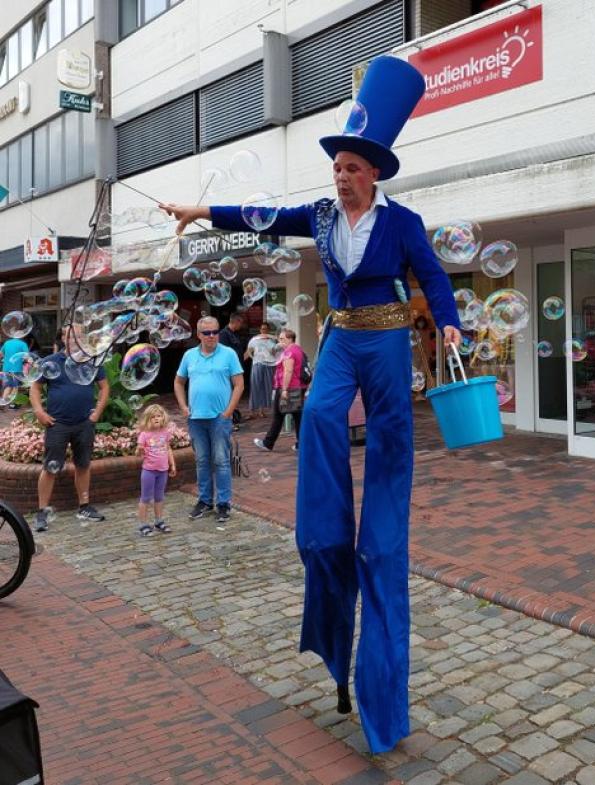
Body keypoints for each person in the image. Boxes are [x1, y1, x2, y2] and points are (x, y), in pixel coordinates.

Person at [160, 55, 461, 754]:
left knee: (390, 445)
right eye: (337, 164)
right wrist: (199, 210)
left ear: (375, 171)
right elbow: (260, 218)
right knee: (321, 417)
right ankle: (325, 527)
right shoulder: (321, 215)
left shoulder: (404, 220)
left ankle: (378, 533)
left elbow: (434, 275)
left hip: (386, 343)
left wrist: (446, 320)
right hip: (341, 339)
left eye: (352, 166)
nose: (340, 174)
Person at [29, 326, 110, 532]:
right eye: (70, 334)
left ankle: (84, 506)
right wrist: (39, 411)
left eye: (79, 334)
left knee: (83, 465)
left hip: (84, 423)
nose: (74, 337)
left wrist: (97, 413)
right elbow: (36, 388)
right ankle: (42, 512)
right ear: (64, 338)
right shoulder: (51, 362)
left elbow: (104, 387)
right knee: (50, 467)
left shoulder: (91, 360)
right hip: (57, 424)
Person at [174, 315, 244, 523]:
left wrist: (228, 412)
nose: (212, 336)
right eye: (207, 333)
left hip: (219, 418)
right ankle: (204, 501)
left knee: (221, 462)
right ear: (199, 335)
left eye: (215, 332)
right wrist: (183, 407)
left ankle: (223, 503)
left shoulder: (229, 354)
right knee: (202, 461)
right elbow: (178, 382)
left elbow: (239, 384)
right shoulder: (189, 356)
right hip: (196, 418)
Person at [254, 328, 306, 452]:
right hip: (298, 387)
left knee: (278, 415)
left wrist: (284, 390)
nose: (280, 341)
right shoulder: (298, 349)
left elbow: (288, 371)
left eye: (282, 339)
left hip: (287, 388)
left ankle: (268, 443)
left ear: (290, 339)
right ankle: (301, 445)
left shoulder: (289, 352)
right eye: (279, 339)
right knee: (298, 417)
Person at [135, 403, 177, 537]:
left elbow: (168, 448)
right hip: (149, 471)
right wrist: (139, 450)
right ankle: (143, 524)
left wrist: (173, 464)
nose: (156, 419)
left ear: (163, 417)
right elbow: (138, 453)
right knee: (145, 497)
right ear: (148, 419)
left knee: (159, 497)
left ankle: (159, 521)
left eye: (159, 416)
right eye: (153, 417)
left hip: (163, 470)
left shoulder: (165, 433)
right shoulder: (144, 435)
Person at [244, 322, 279, 418]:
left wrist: (274, 339)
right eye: (262, 329)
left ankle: (261, 410)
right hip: (257, 364)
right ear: (260, 330)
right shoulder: (254, 340)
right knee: (255, 386)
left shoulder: (272, 341)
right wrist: (239, 363)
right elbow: (248, 351)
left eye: (266, 329)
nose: (264, 331)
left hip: (270, 365)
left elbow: (275, 352)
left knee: (266, 387)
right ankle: (252, 411)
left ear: (268, 330)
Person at [219, 313, 246, 427]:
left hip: (236, 370)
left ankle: (232, 416)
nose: (242, 326)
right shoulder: (224, 334)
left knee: (235, 393)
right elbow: (223, 353)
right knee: (228, 394)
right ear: (236, 322)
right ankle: (227, 418)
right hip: (229, 371)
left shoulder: (234, 334)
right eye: (241, 323)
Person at [1, 334, 29, 406]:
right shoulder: (23, 344)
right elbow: (27, 357)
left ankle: (3, 401)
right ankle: (13, 404)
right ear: (21, 336)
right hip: (17, 368)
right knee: (15, 387)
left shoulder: (7, 343)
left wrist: (6, 358)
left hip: (6, 368)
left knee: (8, 385)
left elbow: (0, 354)